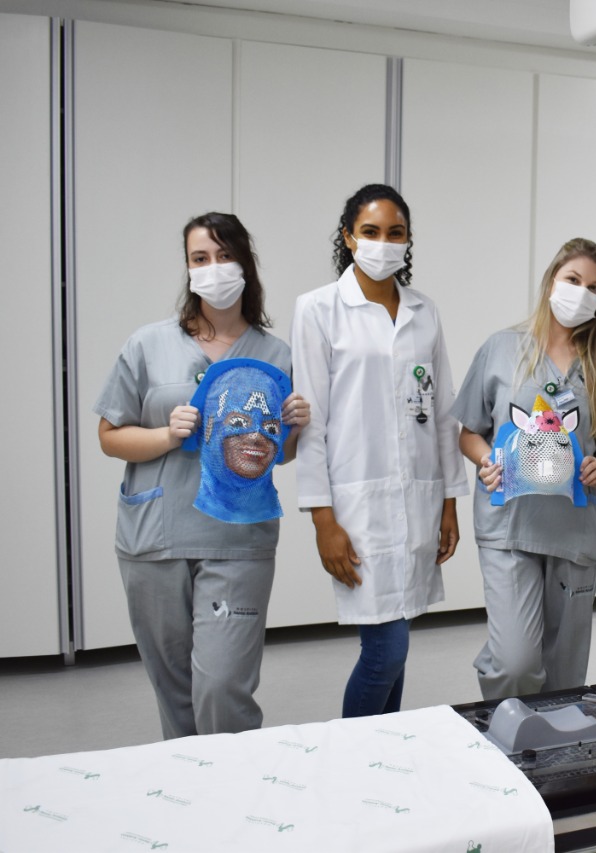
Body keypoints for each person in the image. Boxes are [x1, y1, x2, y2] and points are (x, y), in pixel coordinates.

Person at [95, 212, 310, 739]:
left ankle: (238, 800)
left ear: (245, 265)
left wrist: (294, 427)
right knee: (175, 696)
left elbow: (278, 456)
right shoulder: (148, 345)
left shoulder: (275, 355)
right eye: (200, 258)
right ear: (188, 270)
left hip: (236, 538)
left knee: (221, 688)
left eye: (224, 255)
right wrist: (166, 435)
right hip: (155, 535)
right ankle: (189, 802)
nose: (214, 269)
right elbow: (109, 435)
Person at [291, 184, 468, 717]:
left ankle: (384, 757)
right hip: (356, 506)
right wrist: (323, 520)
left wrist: (449, 502)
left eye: (395, 233)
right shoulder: (318, 310)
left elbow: (442, 415)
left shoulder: (423, 311)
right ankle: (351, 759)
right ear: (348, 238)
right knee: (385, 651)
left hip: (417, 500)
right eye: (370, 232)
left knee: (398, 645)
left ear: (408, 240)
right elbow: (311, 423)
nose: (383, 243)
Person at [452, 238, 596, 700]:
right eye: (573, 280)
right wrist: (486, 460)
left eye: (595, 288)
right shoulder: (503, 349)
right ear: (552, 281)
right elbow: (468, 432)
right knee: (516, 663)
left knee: (565, 673)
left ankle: (550, 760)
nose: (582, 294)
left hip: (576, 527)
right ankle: (504, 736)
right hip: (511, 523)